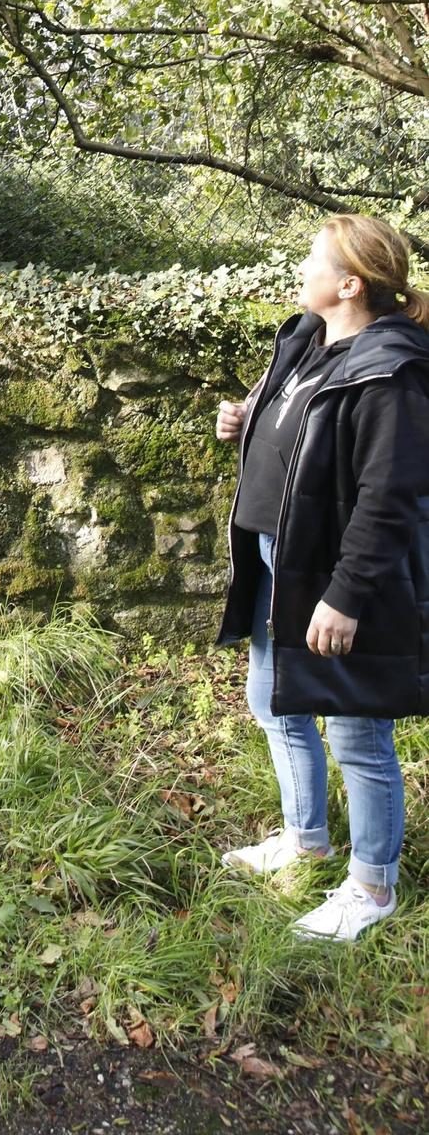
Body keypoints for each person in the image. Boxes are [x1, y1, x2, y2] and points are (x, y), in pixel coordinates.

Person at [216, 213, 429, 942]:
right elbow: (302, 435)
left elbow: (389, 494)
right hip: (281, 556)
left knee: (356, 729)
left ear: (349, 283)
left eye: (312, 259)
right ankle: (305, 838)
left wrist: (346, 595)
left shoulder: (389, 369)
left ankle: (373, 887)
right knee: (272, 700)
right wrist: (245, 422)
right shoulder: (307, 342)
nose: (299, 267)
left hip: (337, 572)